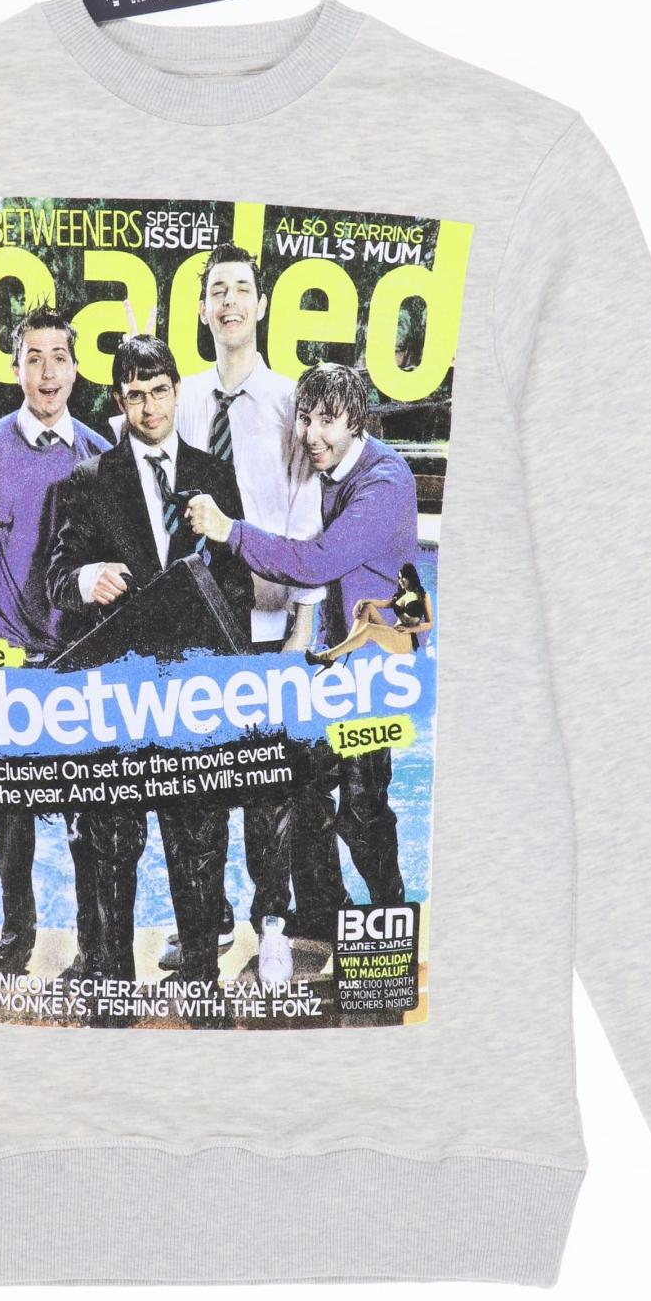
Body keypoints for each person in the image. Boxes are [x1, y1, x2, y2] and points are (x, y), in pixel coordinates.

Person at [47, 335, 252, 1009]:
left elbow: (238, 585)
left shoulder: (214, 474)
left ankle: (200, 983)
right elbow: (56, 580)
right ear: (119, 400)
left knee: (201, 845)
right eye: (134, 395)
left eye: (159, 391)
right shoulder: (85, 482)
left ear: (176, 392)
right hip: (118, 703)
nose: (149, 406)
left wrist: (222, 673)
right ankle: (112, 988)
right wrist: (87, 578)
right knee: (110, 844)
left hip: (192, 701)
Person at [185, 361, 418, 912]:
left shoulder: (385, 481)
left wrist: (229, 530)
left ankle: (390, 915)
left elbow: (319, 561)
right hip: (329, 667)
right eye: (305, 418)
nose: (311, 435)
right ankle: (324, 912)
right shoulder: (325, 472)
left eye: (326, 421)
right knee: (305, 791)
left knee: (361, 809)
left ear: (356, 421)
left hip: (372, 674)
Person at [175, 245, 322, 987]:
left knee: (269, 794)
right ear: (203, 309)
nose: (229, 300)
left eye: (241, 289)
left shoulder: (292, 404)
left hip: (269, 629)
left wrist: (303, 629)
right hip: (202, 632)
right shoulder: (184, 401)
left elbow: (308, 513)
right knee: (198, 790)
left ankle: (272, 927)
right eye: (217, 290)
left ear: (261, 306)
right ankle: (207, 919)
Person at [0, 306, 109, 977]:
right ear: (15, 369)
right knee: (9, 815)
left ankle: (94, 945)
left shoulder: (99, 454)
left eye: (59, 358)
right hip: (9, 661)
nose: (47, 372)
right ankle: (17, 934)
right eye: (34, 358)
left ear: (76, 369)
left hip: (74, 665)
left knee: (88, 818)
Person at [306, 561, 432, 668]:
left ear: (411, 578)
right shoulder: (401, 595)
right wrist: (363, 601)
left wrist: (410, 629)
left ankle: (329, 656)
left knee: (369, 628)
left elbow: (429, 623)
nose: (400, 581)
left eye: (403, 578)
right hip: (392, 633)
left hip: (404, 641)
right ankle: (346, 646)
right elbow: (383, 603)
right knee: (368, 607)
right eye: (398, 578)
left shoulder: (423, 596)